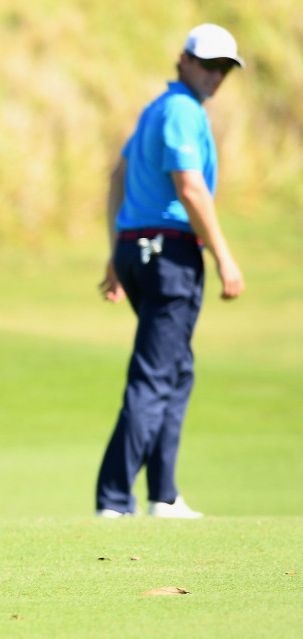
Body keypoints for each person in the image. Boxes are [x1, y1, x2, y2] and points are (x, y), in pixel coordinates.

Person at [95, 24, 246, 518]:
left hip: (137, 249)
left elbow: (119, 177)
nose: (216, 75)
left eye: (225, 68)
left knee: (175, 370)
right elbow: (190, 187)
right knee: (157, 374)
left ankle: (163, 494)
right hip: (171, 254)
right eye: (208, 64)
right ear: (184, 59)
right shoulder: (181, 109)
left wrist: (118, 245)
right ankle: (114, 500)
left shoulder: (156, 109)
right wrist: (222, 254)